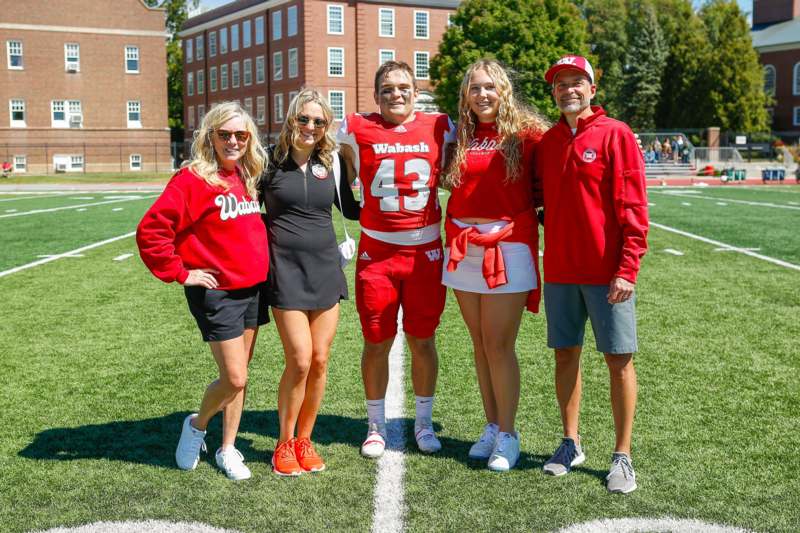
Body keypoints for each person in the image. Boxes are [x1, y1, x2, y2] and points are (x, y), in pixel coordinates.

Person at [136, 101, 268, 481]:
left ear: (249, 138)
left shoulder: (248, 172)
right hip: (217, 292)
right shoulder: (192, 178)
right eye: (224, 134)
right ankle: (196, 424)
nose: (233, 141)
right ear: (210, 135)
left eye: (240, 135)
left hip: (253, 288)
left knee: (241, 374)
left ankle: (228, 448)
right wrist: (181, 272)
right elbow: (151, 231)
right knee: (235, 378)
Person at [535, 56, 648, 494]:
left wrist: (628, 267)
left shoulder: (615, 134)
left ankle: (623, 456)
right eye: (561, 84)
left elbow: (634, 207)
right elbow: (539, 199)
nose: (568, 89)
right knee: (565, 355)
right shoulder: (547, 142)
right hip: (561, 270)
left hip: (608, 274)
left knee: (618, 360)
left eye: (576, 82)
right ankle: (571, 442)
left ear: (592, 88)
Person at [337, 61, 455, 458]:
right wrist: (349, 205)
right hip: (377, 252)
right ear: (376, 95)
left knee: (423, 339)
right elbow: (337, 163)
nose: (396, 94)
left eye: (404, 87)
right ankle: (375, 423)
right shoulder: (355, 128)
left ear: (416, 92)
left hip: (425, 251)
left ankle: (422, 422)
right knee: (376, 341)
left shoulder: (441, 125)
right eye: (387, 89)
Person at [440, 59, 548, 472]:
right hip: (464, 249)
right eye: (474, 89)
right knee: (481, 345)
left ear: (503, 89)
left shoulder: (527, 134)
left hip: (509, 248)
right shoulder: (462, 137)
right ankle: (491, 425)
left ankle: (508, 433)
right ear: (465, 96)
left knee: (500, 345)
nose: (482, 95)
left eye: (489, 87)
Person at [261, 89, 360, 476]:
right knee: (299, 360)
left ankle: (305, 439)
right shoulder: (267, 161)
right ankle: (283, 444)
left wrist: (379, 187)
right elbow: (247, 210)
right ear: (291, 119)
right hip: (284, 271)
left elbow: (351, 210)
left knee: (320, 361)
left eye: (319, 122)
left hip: (325, 269)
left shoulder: (331, 162)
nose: (310, 127)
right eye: (304, 119)